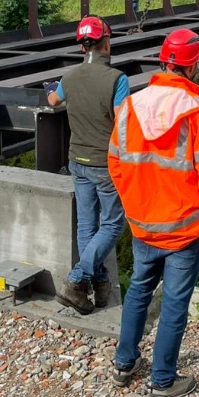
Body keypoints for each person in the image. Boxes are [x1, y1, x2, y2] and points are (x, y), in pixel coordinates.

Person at [109, 28, 199, 397]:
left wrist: (135, 205)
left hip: (144, 225)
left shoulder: (131, 105)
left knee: (139, 291)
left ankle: (123, 364)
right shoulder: (198, 111)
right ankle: (163, 381)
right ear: (193, 65)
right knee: (175, 302)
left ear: (164, 61)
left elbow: (115, 162)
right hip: (185, 228)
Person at [45, 16, 130, 315]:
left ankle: (99, 286)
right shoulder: (117, 80)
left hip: (76, 162)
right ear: (107, 43)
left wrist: (50, 90)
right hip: (103, 164)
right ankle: (76, 280)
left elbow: (54, 101)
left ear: (83, 48)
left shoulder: (69, 78)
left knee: (87, 225)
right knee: (113, 224)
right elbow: (123, 122)